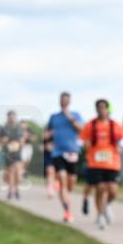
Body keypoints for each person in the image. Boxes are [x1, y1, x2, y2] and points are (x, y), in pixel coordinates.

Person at [80, 99, 123, 230]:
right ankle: (100, 215)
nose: (101, 110)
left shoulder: (115, 125)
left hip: (112, 162)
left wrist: (121, 146)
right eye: (99, 108)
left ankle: (107, 205)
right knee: (100, 188)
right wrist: (84, 144)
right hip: (95, 162)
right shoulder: (91, 125)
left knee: (113, 190)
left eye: (103, 108)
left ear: (108, 109)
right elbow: (81, 139)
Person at [45, 92, 85, 222]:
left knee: (71, 183)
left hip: (72, 152)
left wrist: (71, 119)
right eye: (62, 100)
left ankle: (66, 196)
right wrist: (48, 138)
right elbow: (47, 133)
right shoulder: (54, 117)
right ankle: (67, 212)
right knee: (62, 180)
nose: (63, 102)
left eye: (66, 100)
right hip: (58, 152)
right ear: (59, 101)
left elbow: (82, 130)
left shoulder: (76, 115)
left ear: (69, 102)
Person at [1, 111, 28, 200]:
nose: (12, 118)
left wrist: (22, 142)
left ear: (15, 117)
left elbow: (22, 138)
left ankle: (16, 190)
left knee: (17, 171)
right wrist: (3, 141)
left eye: (13, 117)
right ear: (8, 118)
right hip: (8, 152)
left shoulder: (18, 128)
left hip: (17, 152)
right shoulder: (4, 128)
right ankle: (11, 191)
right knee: (11, 172)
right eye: (10, 117)